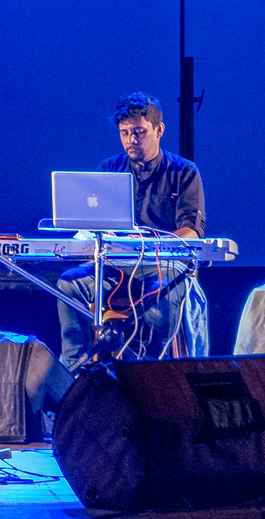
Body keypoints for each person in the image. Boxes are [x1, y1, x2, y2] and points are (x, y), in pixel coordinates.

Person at [55, 92, 210, 370]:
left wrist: (148, 244)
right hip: (115, 266)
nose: (131, 139)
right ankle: (75, 370)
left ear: (159, 130)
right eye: (125, 133)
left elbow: (192, 231)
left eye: (138, 132)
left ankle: (152, 374)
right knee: (69, 284)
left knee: (161, 302)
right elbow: (96, 223)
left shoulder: (184, 172)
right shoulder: (110, 168)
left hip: (161, 266)